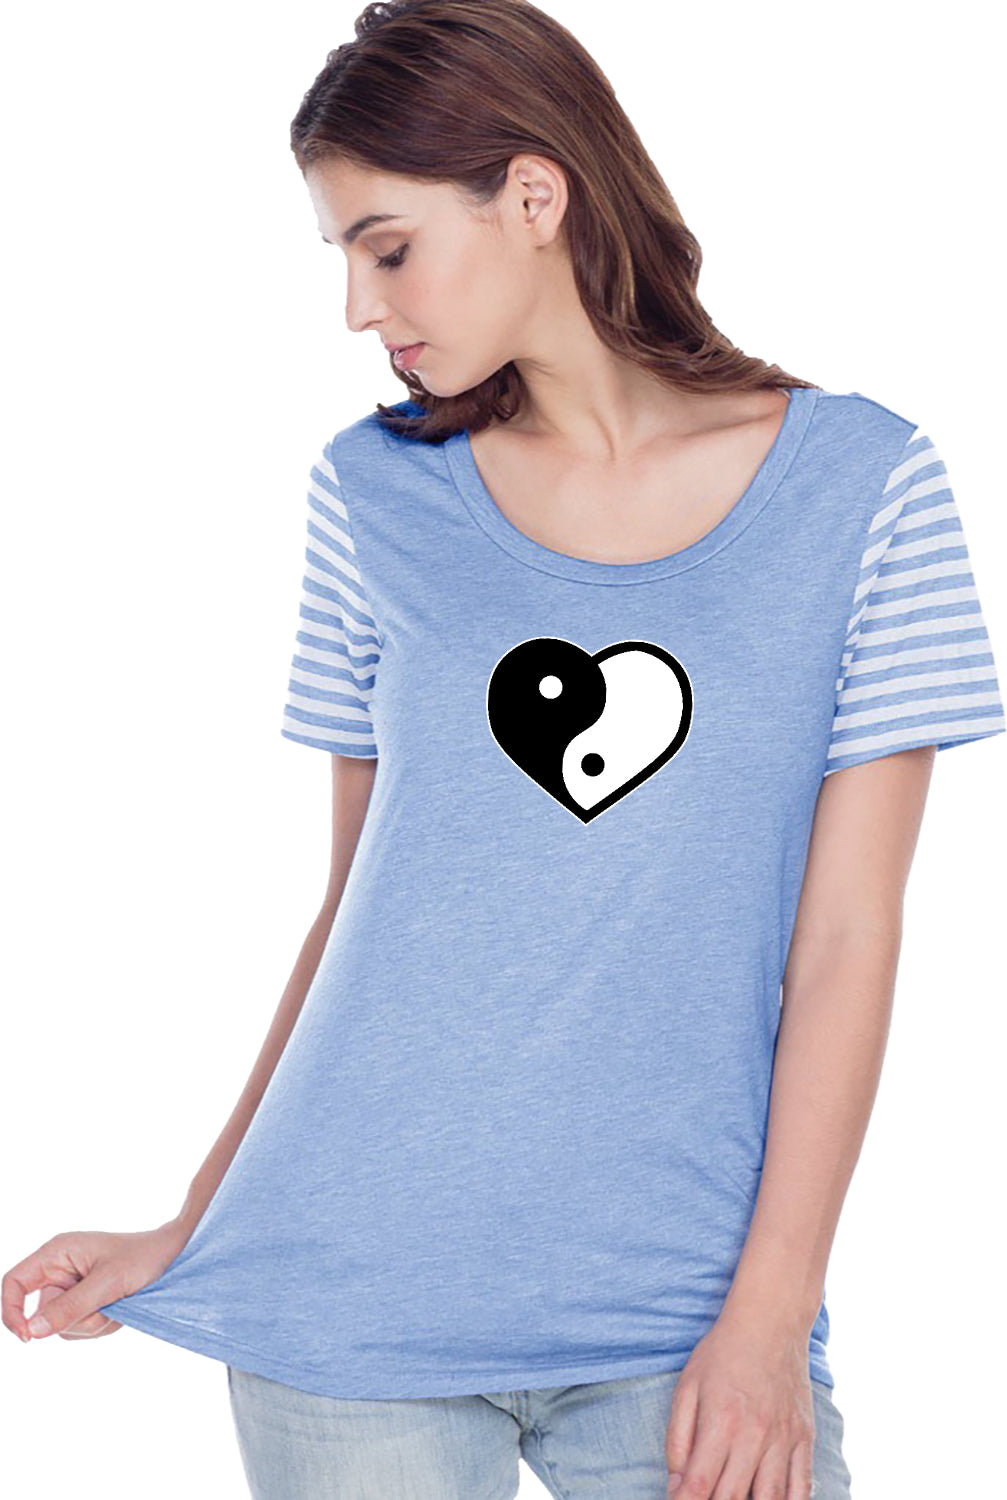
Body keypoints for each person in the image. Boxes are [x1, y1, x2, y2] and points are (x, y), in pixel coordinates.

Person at [4, 1, 1004, 1496]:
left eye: (388, 248)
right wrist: (196, 1225)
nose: (358, 307)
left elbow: (850, 936)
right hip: (347, 1304)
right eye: (343, 258)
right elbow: (361, 911)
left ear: (534, 196)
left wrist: (769, 1321)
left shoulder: (867, 490)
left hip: (682, 1311)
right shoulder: (373, 495)